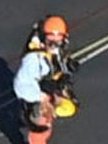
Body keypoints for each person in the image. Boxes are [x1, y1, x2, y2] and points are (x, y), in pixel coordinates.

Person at [14, 16, 78, 144]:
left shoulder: (53, 49)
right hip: (36, 96)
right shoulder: (33, 59)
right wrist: (42, 99)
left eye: (58, 42)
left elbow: (56, 62)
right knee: (43, 126)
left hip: (49, 88)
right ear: (43, 39)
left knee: (69, 108)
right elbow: (20, 86)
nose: (54, 46)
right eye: (51, 42)